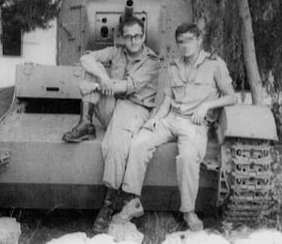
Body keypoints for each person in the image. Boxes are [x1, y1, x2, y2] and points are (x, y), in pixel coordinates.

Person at [112, 22, 237, 231]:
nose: (185, 46)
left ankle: (188, 211)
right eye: (181, 42)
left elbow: (231, 97)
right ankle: (133, 202)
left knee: (188, 157)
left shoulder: (215, 65)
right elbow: (168, 100)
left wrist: (207, 105)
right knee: (138, 143)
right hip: (170, 118)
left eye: (189, 40)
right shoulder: (173, 66)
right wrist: (155, 119)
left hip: (195, 124)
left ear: (199, 40)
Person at [62, 16, 161, 233]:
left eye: (137, 36)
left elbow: (129, 86)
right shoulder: (116, 51)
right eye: (128, 37)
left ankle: (107, 207)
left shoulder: (151, 61)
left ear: (143, 36)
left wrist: (97, 85)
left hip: (135, 107)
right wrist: (102, 78)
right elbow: (86, 58)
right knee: (92, 67)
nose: (133, 41)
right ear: (122, 38)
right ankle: (86, 122)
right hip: (113, 104)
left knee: (115, 146)